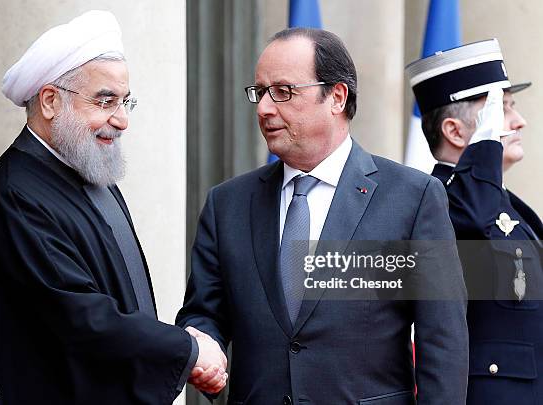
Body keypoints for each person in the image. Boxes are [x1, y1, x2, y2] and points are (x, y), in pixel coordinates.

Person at [0, 10, 226, 404]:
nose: (121, 120)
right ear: (51, 101)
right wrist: (185, 350)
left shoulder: (89, 175)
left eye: (125, 102)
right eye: (105, 101)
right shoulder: (13, 196)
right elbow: (81, 316)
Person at [177, 27, 468, 404]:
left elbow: (443, 341)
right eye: (260, 93)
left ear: (336, 96)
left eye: (283, 91)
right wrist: (203, 343)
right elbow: (203, 313)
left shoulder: (412, 199)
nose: (265, 108)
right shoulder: (227, 204)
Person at [407, 38, 543, 404]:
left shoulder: (506, 203)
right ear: (454, 131)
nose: (520, 121)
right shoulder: (435, 200)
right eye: (502, 110)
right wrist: (483, 152)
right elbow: (471, 223)